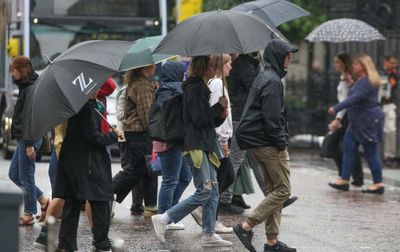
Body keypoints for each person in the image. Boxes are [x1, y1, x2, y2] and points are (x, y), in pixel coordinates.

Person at [151, 56, 232, 247]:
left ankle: (209, 233)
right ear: (204, 67)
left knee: (214, 191)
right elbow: (199, 119)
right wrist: (217, 107)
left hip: (205, 143)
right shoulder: (195, 88)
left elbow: (208, 121)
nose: (215, 69)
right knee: (205, 190)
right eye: (212, 66)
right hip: (197, 145)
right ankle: (164, 218)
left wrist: (221, 114)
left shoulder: (200, 87)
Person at [233, 39, 297, 252]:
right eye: (288, 55)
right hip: (266, 142)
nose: (291, 59)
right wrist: (281, 142)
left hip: (257, 141)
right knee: (283, 190)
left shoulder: (266, 76)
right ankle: (246, 226)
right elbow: (272, 118)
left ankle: (272, 242)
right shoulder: (272, 81)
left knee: (273, 190)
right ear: (279, 56)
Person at [53, 96, 123, 251]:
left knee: (72, 202)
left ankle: (66, 245)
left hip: (73, 160)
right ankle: (101, 242)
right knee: (100, 200)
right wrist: (113, 136)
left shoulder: (79, 104)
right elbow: (93, 136)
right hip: (87, 162)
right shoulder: (87, 107)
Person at [328, 53, 385, 194]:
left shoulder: (368, 82)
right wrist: (349, 83)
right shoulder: (360, 80)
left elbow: (354, 98)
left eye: (356, 64)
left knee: (371, 152)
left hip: (367, 121)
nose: (353, 66)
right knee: (348, 149)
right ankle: (344, 180)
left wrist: (336, 108)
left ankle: (378, 183)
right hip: (356, 122)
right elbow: (353, 93)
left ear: (364, 66)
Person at [8, 56, 50, 226]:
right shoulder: (26, 85)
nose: (11, 74)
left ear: (22, 70)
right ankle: (43, 200)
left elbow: (31, 118)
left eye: (13, 70)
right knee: (14, 174)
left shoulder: (31, 88)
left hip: (29, 138)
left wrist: (31, 143)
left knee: (26, 176)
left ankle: (29, 213)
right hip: (24, 137)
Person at [112, 65, 158, 216]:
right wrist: (154, 134)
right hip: (140, 134)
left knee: (143, 170)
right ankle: (106, 193)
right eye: (153, 64)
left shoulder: (137, 83)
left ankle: (150, 207)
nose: (155, 66)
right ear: (147, 67)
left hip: (133, 133)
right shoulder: (143, 85)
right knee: (135, 170)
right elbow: (146, 115)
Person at [154, 61, 192, 230]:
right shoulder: (168, 91)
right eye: (182, 72)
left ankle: (170, 213)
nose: (184, 75)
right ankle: (163, 217)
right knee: (170, 180)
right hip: (169, 142)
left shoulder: (167, 89)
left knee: (185, 176)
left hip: (175, 141)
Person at [207, 54, 235, 232]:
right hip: (219, 139)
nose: (230, 67)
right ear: (221, 65)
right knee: (223, 178)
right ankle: (210, 215)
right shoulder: (217, 84)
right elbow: (218, 113)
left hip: (221, 138)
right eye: (228, 64)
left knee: (224, 177)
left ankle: (208, 213)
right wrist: (223, 141)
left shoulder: (219, 83)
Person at [328, 53, 364, 186]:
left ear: (343, 63)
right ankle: (352, 177)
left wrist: (338, 118)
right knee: (350, 147)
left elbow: (347, 99)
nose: (335, 65)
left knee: (335, 145)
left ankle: (345, 176)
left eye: (337, 62)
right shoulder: (343, 76)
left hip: (347, 115)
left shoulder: (350, 77)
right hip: (343, 114)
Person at [381, 54, 399, 164]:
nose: (394, 65)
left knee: (391, 130)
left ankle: (389, 155)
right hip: (380, 104)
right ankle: (381, 154)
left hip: (390, 104)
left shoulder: (394, 74)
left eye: (395, 63)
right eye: (391, 63)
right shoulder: (383, 74)